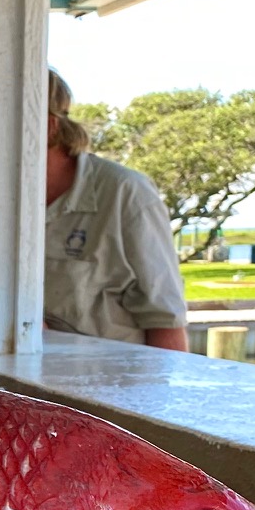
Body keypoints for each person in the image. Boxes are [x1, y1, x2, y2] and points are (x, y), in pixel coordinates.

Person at [43, 70, 189, 352]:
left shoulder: (127, 193)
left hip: (107, 389)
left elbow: (165, 322)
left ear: (49, 127)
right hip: (15, 390)